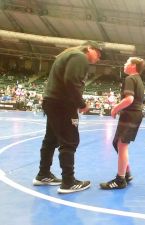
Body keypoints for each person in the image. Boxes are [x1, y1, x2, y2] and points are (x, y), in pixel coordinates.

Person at [33, 41, 102, 194]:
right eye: (98, 54)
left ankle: (43, 174)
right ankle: (68, 182)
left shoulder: (67, 54)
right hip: (63, 104)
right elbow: (71, 81)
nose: (98, 59)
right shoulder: (79, 57)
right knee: (69, 141)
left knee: (51, 139)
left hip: (52, 101)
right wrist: (81, 103)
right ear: (89, 48)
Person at [100, 57, 145, 190]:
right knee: (118, 143)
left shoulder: (130, 79)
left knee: (122, 145)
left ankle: (120, 179)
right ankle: (127, 173)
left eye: (126, 62)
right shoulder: (138, 80)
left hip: (130, 115)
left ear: (133, 65)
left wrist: (115, 108)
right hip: (133, 115)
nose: (124, 64)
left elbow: (129, 99)